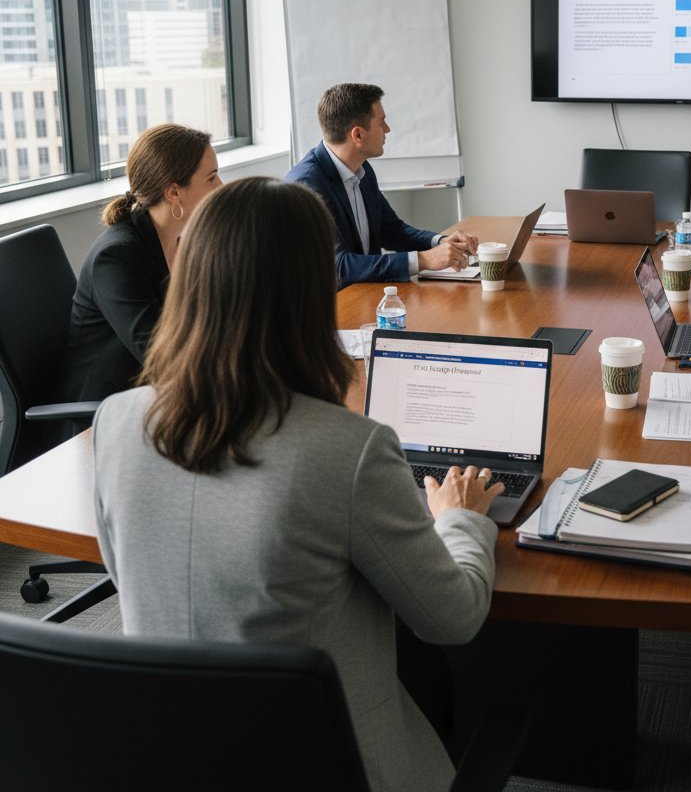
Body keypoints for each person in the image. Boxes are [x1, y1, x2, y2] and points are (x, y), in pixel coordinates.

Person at [91, 177, 503, 792]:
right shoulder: (349, 449)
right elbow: (454, 618)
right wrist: (459, 517)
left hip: (169, 756)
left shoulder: (117, 422)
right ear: (310, 290)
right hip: (331, 764)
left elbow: (129, 575)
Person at [58, 123, 221, 402]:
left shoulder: (186, 241)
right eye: (212, 178)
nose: (221, 187)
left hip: (158, 394)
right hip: (107, 408)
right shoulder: (116, 258)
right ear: (174, 192)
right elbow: (161, 358)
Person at [286, 83, 478, 288]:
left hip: (365, 293)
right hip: (333, 302)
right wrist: (423, 260)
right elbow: (339, 268)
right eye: (381, 122)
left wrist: (440, 242)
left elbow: (391, 230)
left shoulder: (362, 169)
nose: (387, 129)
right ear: (358, 135)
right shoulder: (307, 185)